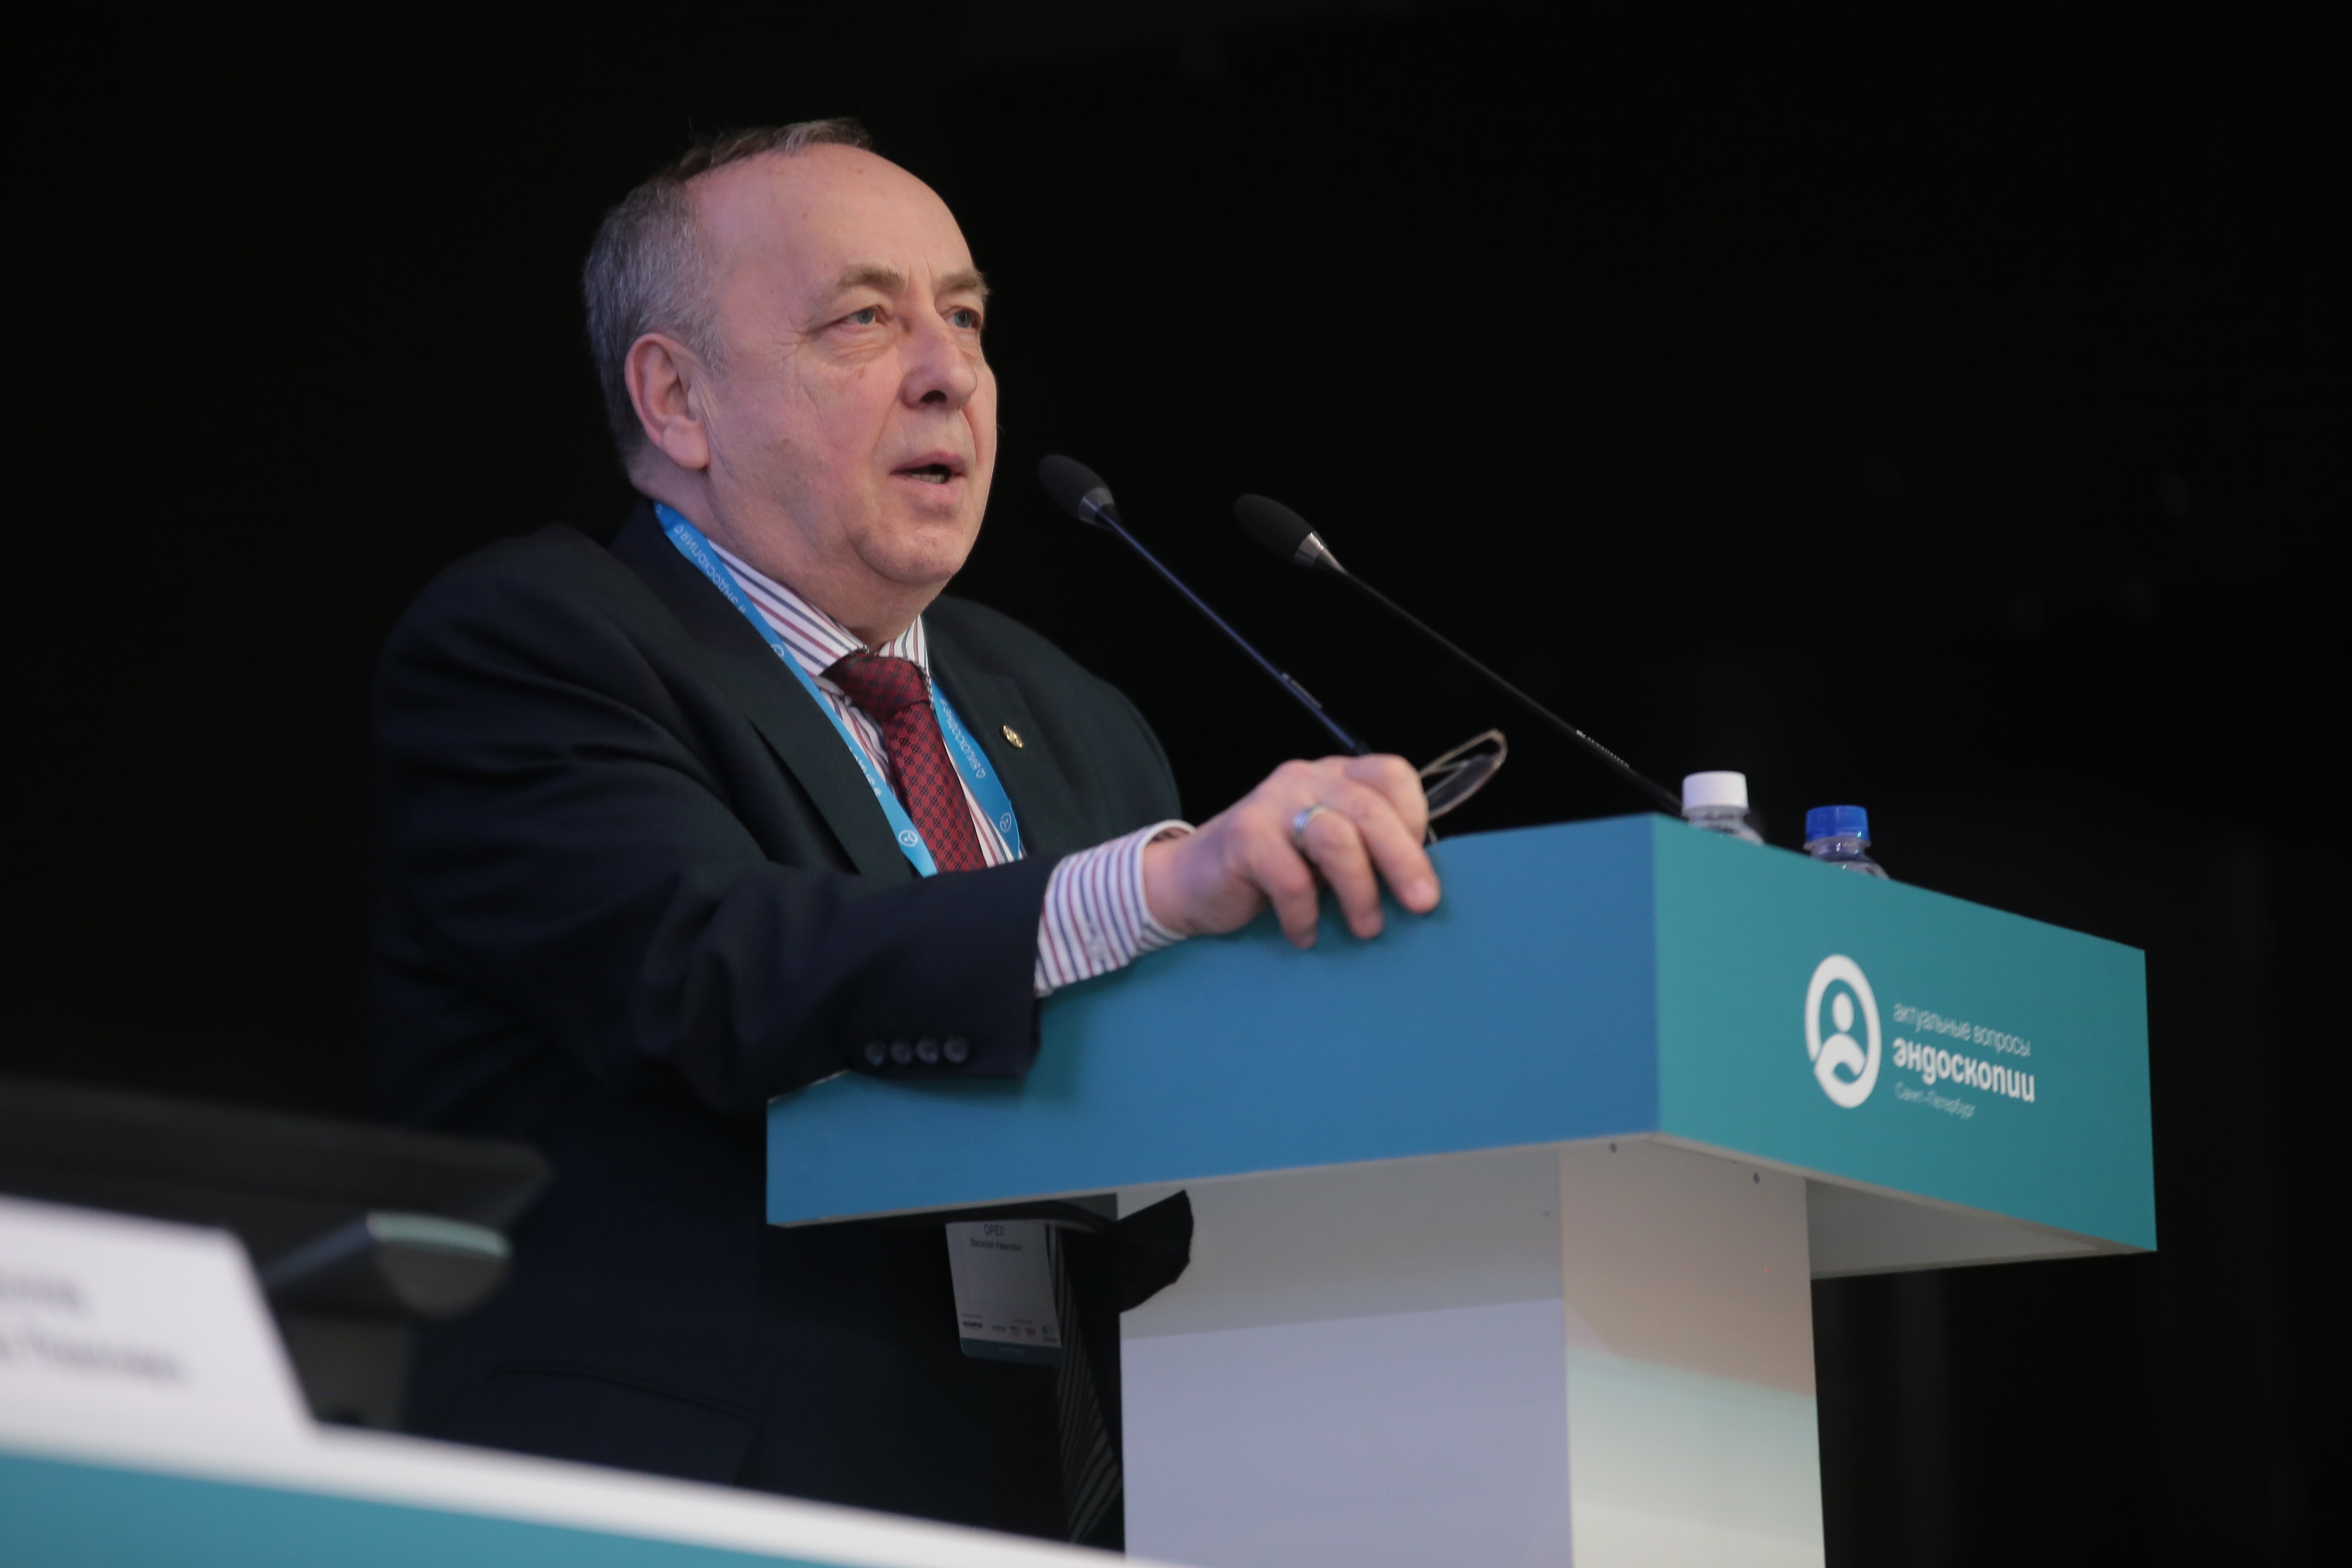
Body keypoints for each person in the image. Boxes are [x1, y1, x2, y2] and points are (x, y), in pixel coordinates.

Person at [371, 119, 1438, 1545]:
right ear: (677, 398)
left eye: (968, 319)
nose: (950, 375)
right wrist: (1152, 889)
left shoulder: (1072, 712)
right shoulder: (536, 645)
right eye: (864, 321)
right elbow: (715, 968)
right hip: (695, 1504)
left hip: (1078, 1504)